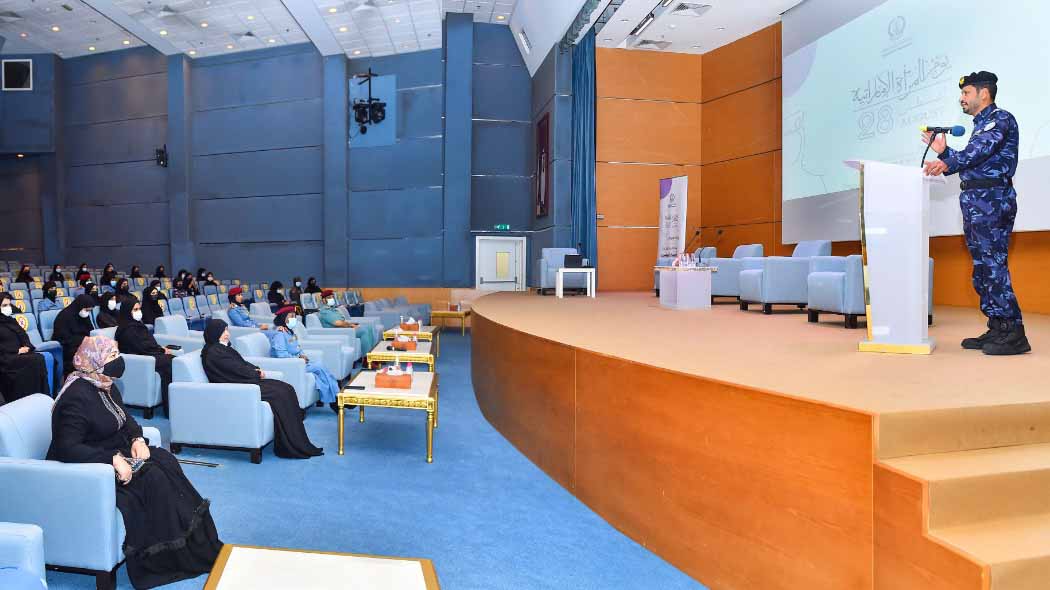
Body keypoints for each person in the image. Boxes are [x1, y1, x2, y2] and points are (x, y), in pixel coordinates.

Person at [47, 336, 222, 589]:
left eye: (117, 353)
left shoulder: (106, 384)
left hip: (112, 451)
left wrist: (138, 439)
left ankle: (195, 544)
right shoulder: (76, 396)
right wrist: (112, 459)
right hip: (86, 467)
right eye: (111, 356)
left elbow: (126, 421)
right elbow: (68, 448)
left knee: (164, 459)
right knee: (153, 478)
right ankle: (163, 559)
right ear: (93, 361)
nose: (118, 361)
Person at [923, 71, 1030, 355]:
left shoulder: (1000, 119)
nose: (962, 98)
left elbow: (975, 154)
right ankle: (998, 325)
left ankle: (1013, 331)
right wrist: (945, 155)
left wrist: (947, 161)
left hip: (993, 200)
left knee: (993, 265)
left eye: (966, 93)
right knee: (983, 268)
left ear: (984, 94)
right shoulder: (979, 127)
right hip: (976, 201)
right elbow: (972, 159)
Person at [200, 319, 323, 459]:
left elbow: (241, 363)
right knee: (280, 393)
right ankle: (290, 444)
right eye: (223, 331)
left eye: (227, 330)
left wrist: (255, 369)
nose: (227, 333)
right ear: (214, 333)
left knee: (287, 388)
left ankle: (297, 440)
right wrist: (256, 373)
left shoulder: (222, 348)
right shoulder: (213, 352)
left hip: (245, 381)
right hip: (238, 387)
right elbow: (233, 370)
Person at [269, 306, 341, 413]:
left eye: (294, 316)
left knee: (319, 372)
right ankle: (336, 399)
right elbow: (282, 355)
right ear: (284, 318)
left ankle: (335, 398)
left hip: (299, 362)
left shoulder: (290, 332)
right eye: (291, 316)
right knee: (319, 367)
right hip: (291, 365)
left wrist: (303, 355)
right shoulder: (279, 334)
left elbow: (297, 348)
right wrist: (298, 358)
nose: (294, 319)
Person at [116, 296, 175, 416]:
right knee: (170, 362)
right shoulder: (126, 329)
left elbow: (147, 343)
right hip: (141, 360)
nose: (139, 312)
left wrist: (160, 349)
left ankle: (174, 404)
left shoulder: (137, 325)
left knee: (173, 362)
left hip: (148, 355)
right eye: (135, 310)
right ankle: (170, 409)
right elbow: (140, 347)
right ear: (128, 311)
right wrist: (161, 351)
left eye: (139, 309)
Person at [0, 292, 53, 402]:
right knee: (36, 359)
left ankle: (41, 396)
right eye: (4, 305)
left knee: (41, 358)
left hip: (21, 354)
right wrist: (16, 351)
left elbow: (23, 335)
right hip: (5, 358)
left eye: (9, 305)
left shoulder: (11, 320)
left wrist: (27, 346)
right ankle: (32, 397)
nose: (8, 308)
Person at [52, 294, 96, 375]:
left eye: (89, 311)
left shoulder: (84, 315)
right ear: (80, 306)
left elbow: (91, 331)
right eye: (86, 310)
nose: (87, 313)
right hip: (67, 346)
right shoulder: (64, 316)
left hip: (83, 343)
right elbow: (63, 338)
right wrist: (83, 340)